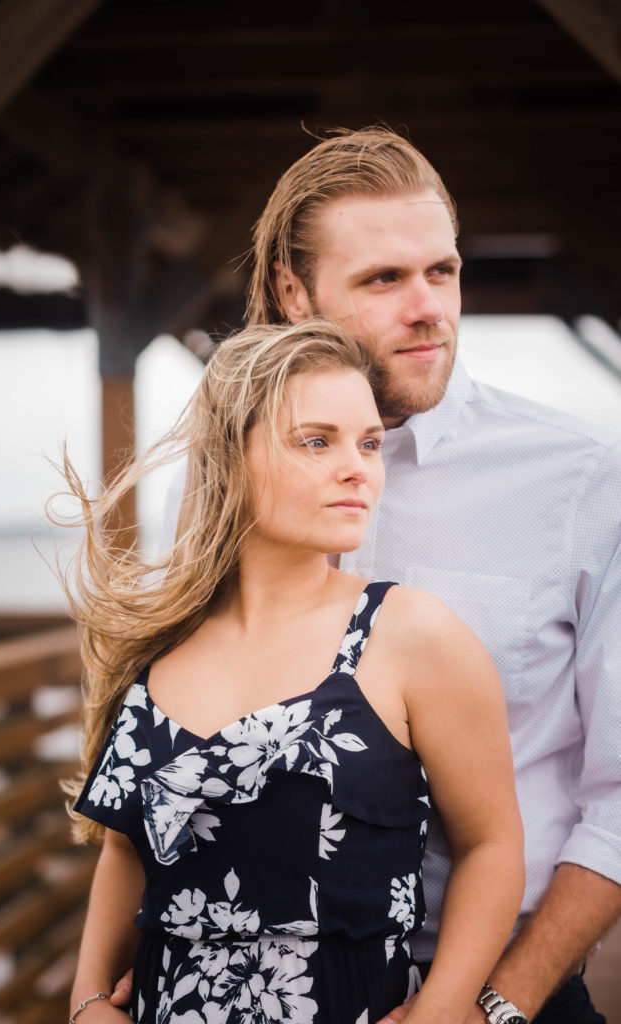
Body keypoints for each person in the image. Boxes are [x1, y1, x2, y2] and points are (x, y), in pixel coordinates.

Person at [145, 127, 621, 1023]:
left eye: (441, 272)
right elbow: (162, 744)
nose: (428, 308)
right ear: (294, 291)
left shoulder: (581, 480)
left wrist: (494, 1004)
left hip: (502, 989)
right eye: (382, 280)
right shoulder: (204, 494)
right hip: (248, 987)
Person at [64, 319, 524, 1024]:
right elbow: (126, 846)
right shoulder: (159, 640)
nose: (358, 468)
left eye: (369, 443)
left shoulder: (410, 636)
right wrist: (88, 999)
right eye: (317, 441)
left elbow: (492, 844)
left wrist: (442, 1009)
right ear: (229, 455)